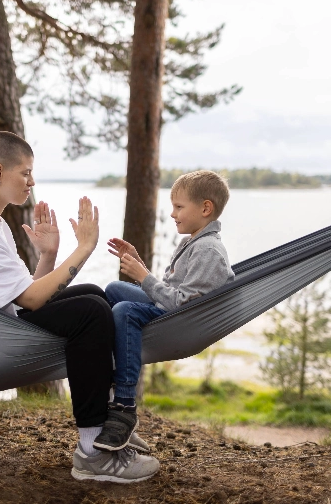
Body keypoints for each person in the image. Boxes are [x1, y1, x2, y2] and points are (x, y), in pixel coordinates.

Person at [0, 131, 159, 483]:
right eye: (26, 173)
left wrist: (48, 255)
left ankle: (112, 424)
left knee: (96, 293)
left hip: (1, 323)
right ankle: (93, 451)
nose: (31, 183)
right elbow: (33, 300)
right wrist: (83, 249)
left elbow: (28, 292)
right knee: (91, 313)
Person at [94, 170, 236, 451]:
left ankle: (123, 404)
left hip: (181, 322)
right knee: (113, 289)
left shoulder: (208, 251)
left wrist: (143, 277)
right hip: (170, 310)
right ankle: (111, 373)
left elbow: (182, 304)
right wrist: (140, 265)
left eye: (179, 207)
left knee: (124, 311)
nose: (172, 214)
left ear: (206, 208)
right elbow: (172, 288)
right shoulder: (192, 242)